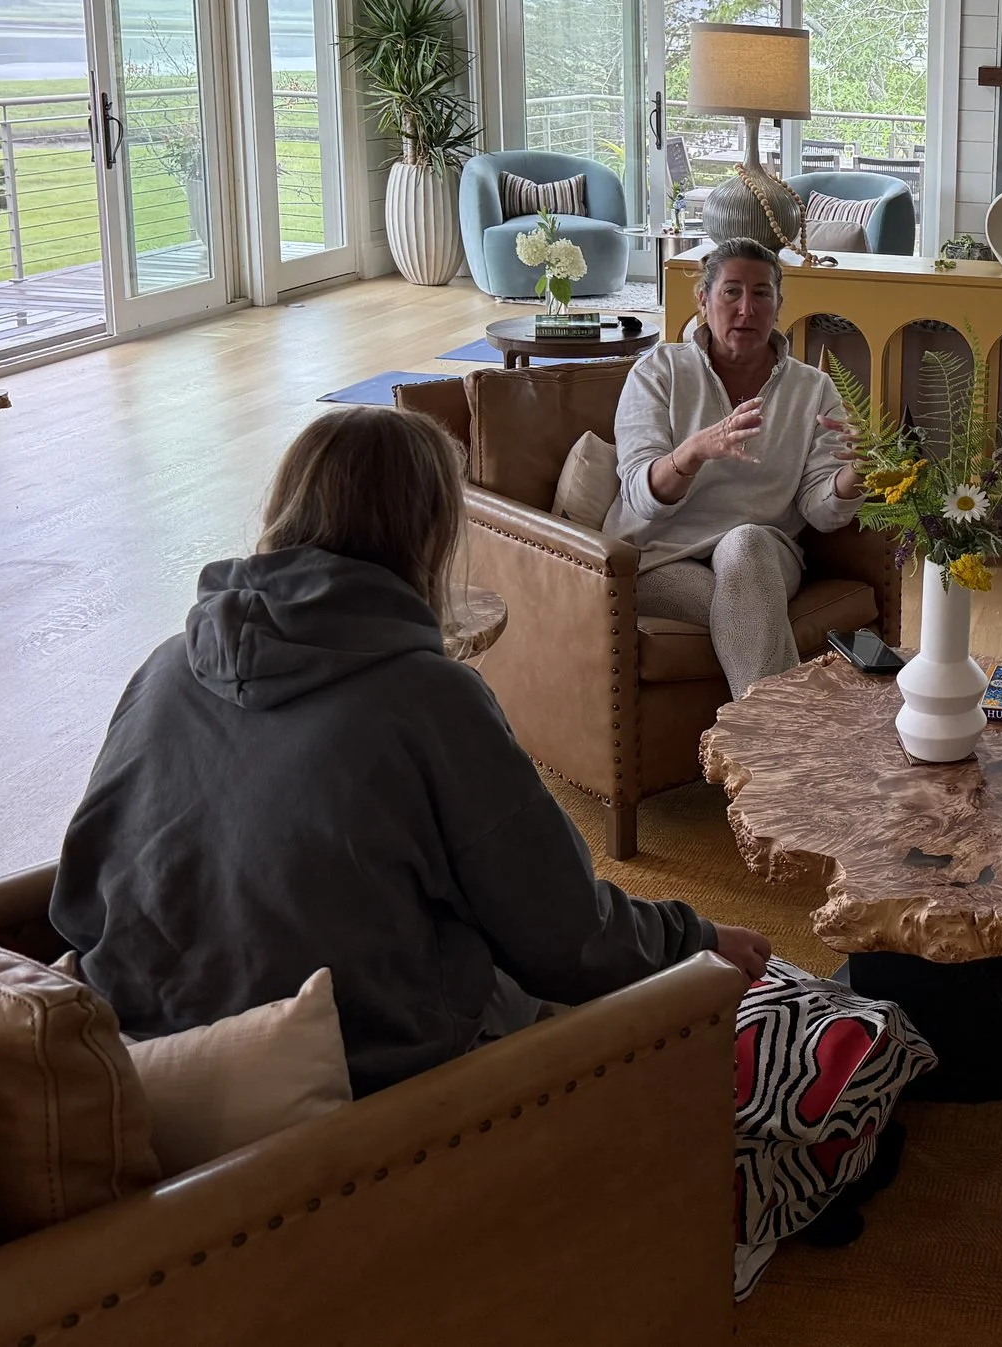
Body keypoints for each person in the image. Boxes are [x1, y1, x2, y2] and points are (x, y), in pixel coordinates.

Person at [52, 405, 774, 1097]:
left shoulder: (168, 664)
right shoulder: (431, 699)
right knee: (664, 999)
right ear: (428, 535)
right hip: (359, 1075)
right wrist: (697, 935)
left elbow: (79, 898)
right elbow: (568, 940)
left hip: (131, 1036)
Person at [608, 236, 866, 699]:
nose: (746, 309)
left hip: (761, 554)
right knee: (749, 610)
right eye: (731, 292)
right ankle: (780, 749)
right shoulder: (658, 372)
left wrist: (853, 478)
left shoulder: (813, 389)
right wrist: (694, 451)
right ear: (703, 301)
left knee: (744, 548)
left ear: (778, 304)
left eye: (761, 293)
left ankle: (771, 752)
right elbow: (641, 499)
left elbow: (820, 512)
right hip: (659, 556)